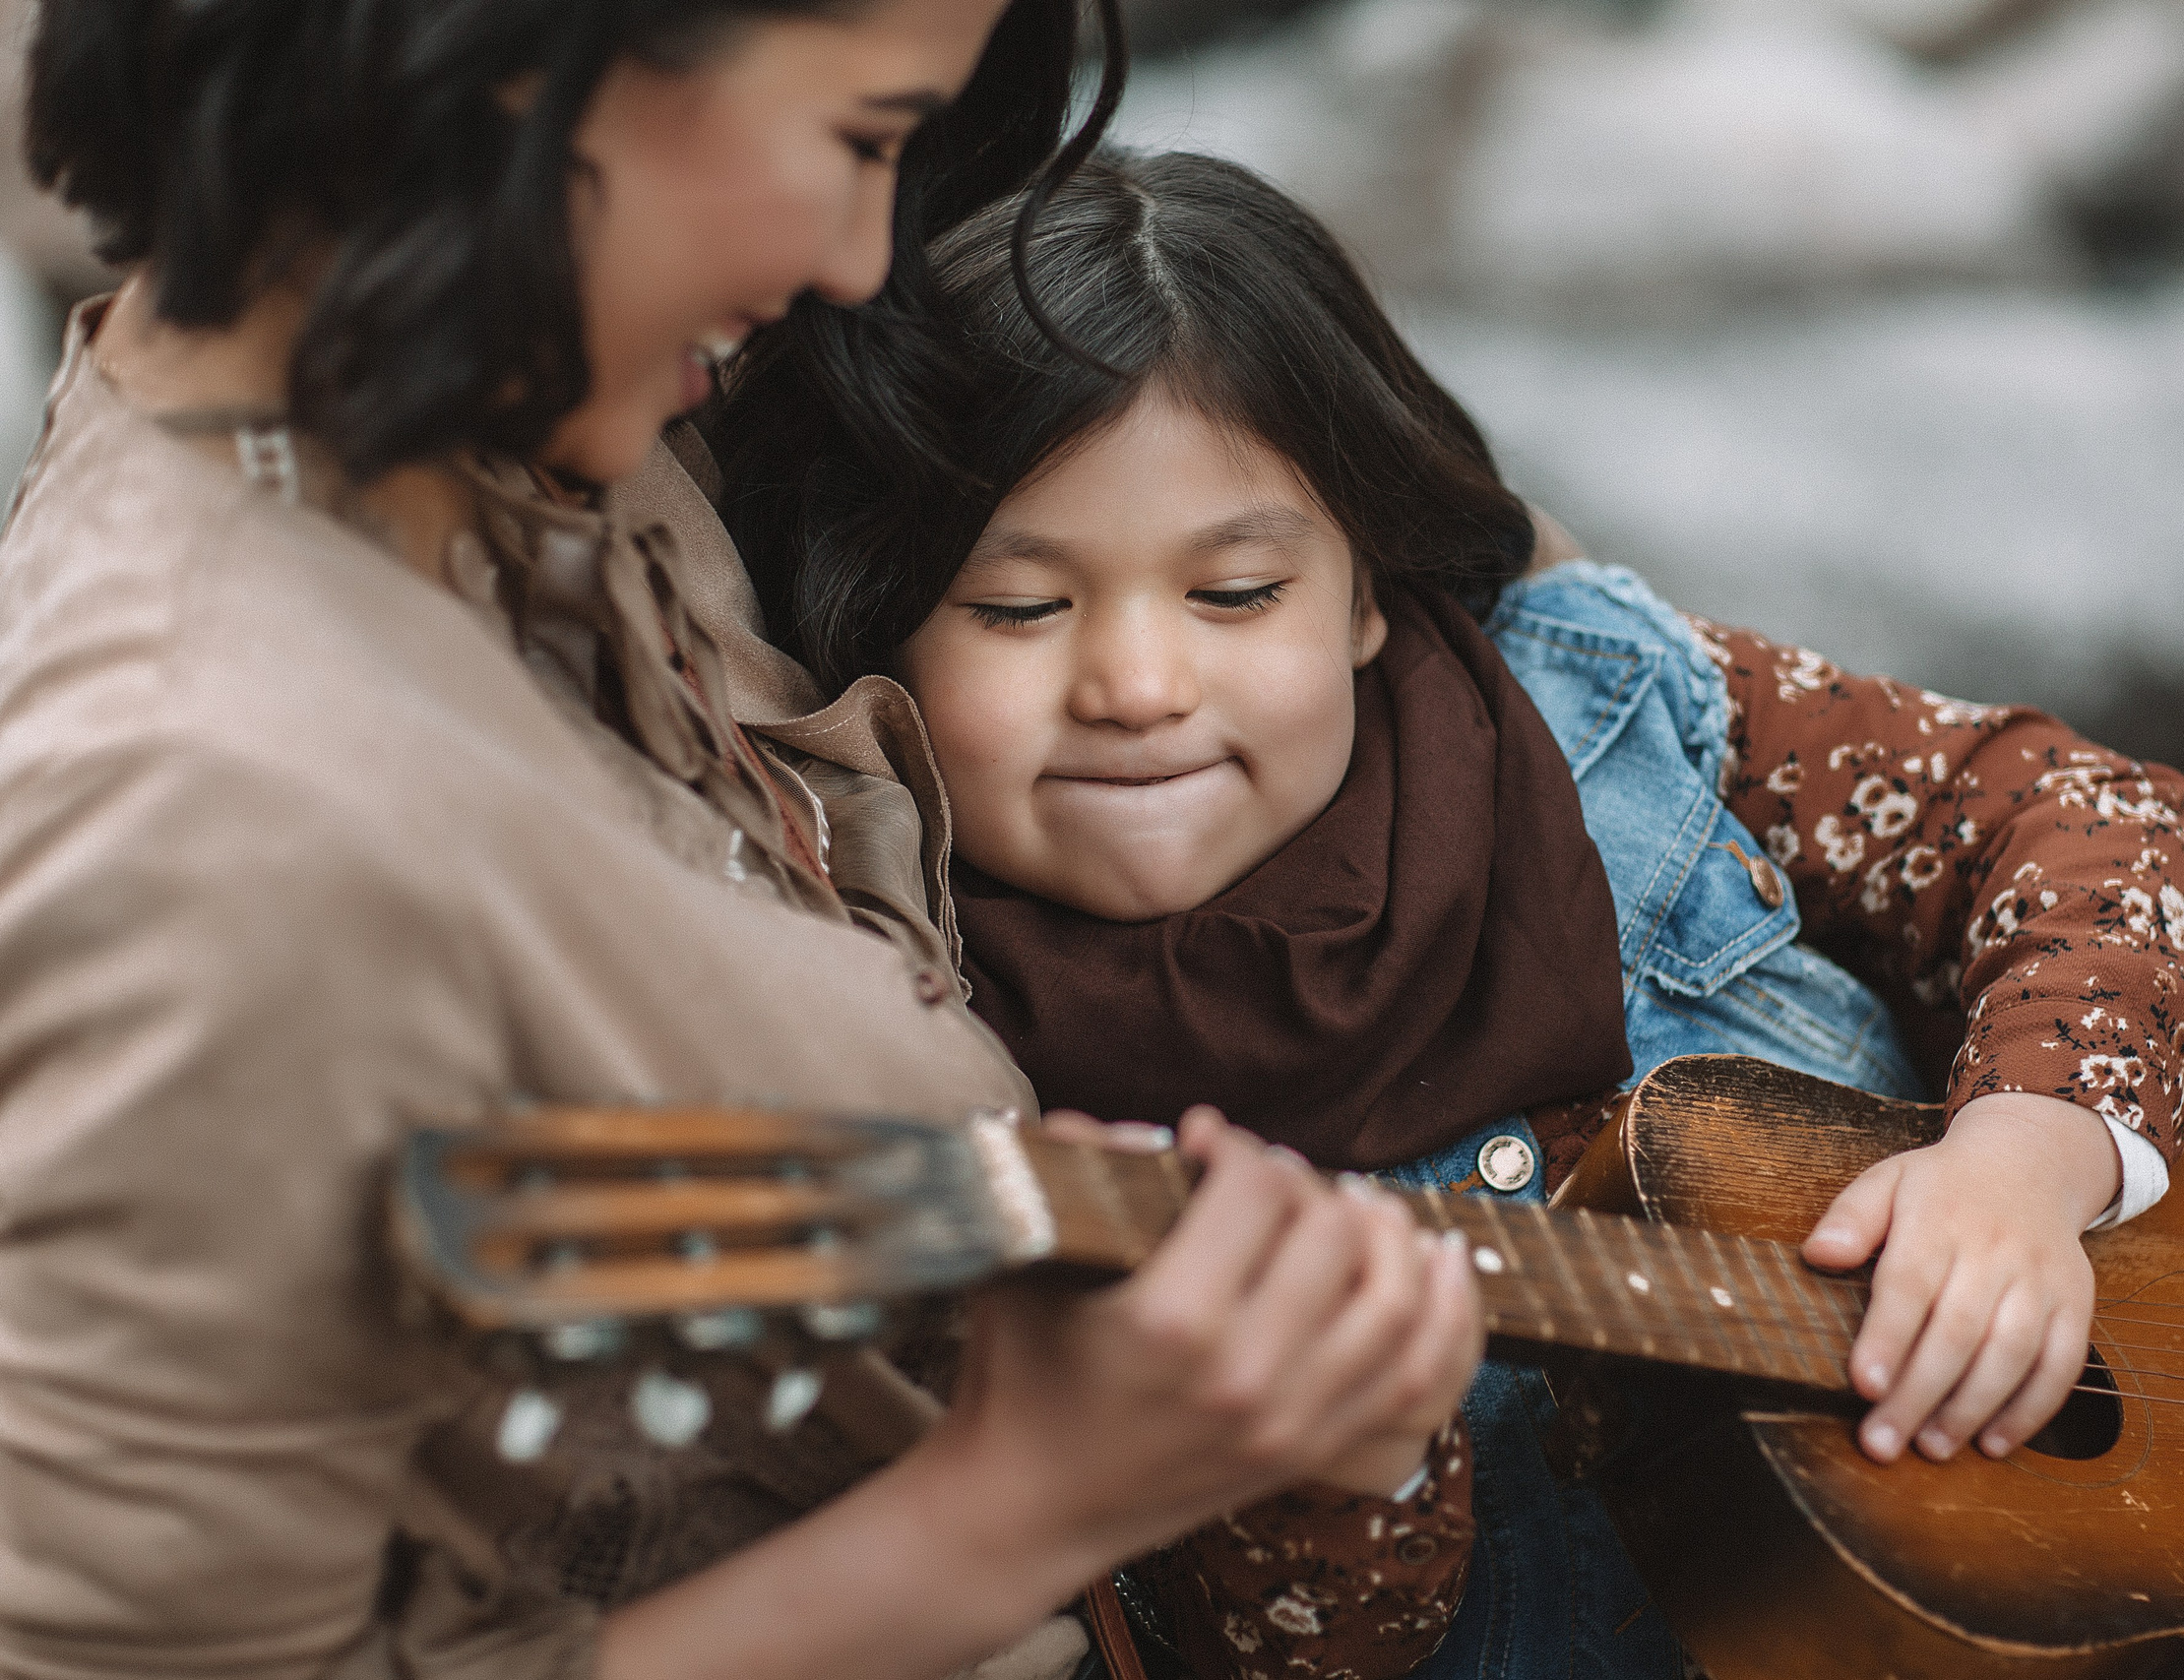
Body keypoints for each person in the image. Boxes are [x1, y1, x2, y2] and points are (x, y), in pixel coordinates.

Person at [0, 12, 1483, 1680]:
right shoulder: (212, 818)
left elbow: (1399, 544)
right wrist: (1022, 1506)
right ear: (516, 74)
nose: (869, 258)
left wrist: (1846, 1104)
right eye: (861, 140)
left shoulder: (532, 374)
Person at [704, 149, 2184, 1679]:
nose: (1137, 688)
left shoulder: (1611, 707)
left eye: (1234, 595)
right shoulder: (944, 1056)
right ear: (882, 609)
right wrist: (1338, 1454)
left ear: (1367, 592)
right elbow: (1303, 1657)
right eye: (1021, 608)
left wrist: (2028, 1161)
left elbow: (2078, 818)